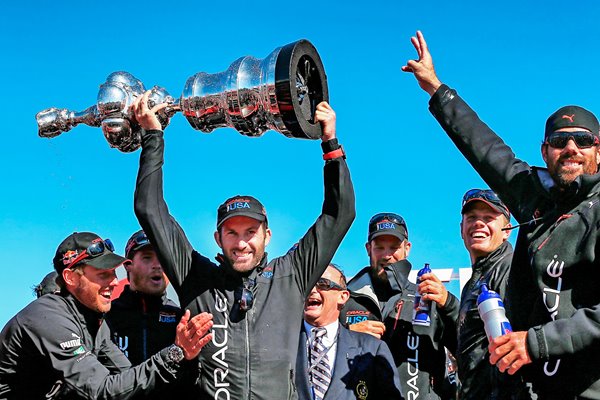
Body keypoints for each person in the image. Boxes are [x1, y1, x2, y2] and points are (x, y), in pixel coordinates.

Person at [404, 30, 600, 398]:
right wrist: (435, 88)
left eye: (583, 140)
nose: (571, 148)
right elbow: (485, 148)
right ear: (545, 151)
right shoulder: (532, 195)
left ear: (598, 152)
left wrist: (537, 343)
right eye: (560, 141)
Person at [132, 91, 356, 399]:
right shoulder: (195, 276)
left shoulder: (292, 274)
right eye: (231, 233)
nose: (241, 243)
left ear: (267, 235)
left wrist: (330, 143)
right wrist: (153, 137)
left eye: (250, 231)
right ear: (218, 239)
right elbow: (149, 209)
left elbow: (339, 213)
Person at [0, 231, 213, 399]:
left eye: (113, 273)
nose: (113, 282)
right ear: (71, 278)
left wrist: (184, 360)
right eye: (103, 275)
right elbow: (100, 390)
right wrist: (175, 352)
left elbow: (127, 379)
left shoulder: (94, 320)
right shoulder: (49, 317)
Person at [341, 213, 459, 399]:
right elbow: (315, 348)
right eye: (379, 247)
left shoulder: (429, 298)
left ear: (407, 248)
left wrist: (450, 305)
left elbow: (467, 347)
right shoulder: (345, 298)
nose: (387, 255)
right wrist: (346, 335)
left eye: (394, 247)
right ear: (368, 249)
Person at [440, 188, 530, 399]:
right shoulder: (474, 282)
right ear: (462, 228)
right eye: (472, 218)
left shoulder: (511, 270)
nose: (478, 223)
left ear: (507, 229)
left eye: (488, 218)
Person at [106, 230, 198, 398]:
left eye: (162, 257)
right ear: (128, 264)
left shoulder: (182, 319)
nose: (157, 265)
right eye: (147, 257)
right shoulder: (106, 317)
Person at [296, 264, 403, 400]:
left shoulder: (372, 348)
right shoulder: (280, 343)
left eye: (323, 284)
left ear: (343, 296)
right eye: (308, 283)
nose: (312, 289)